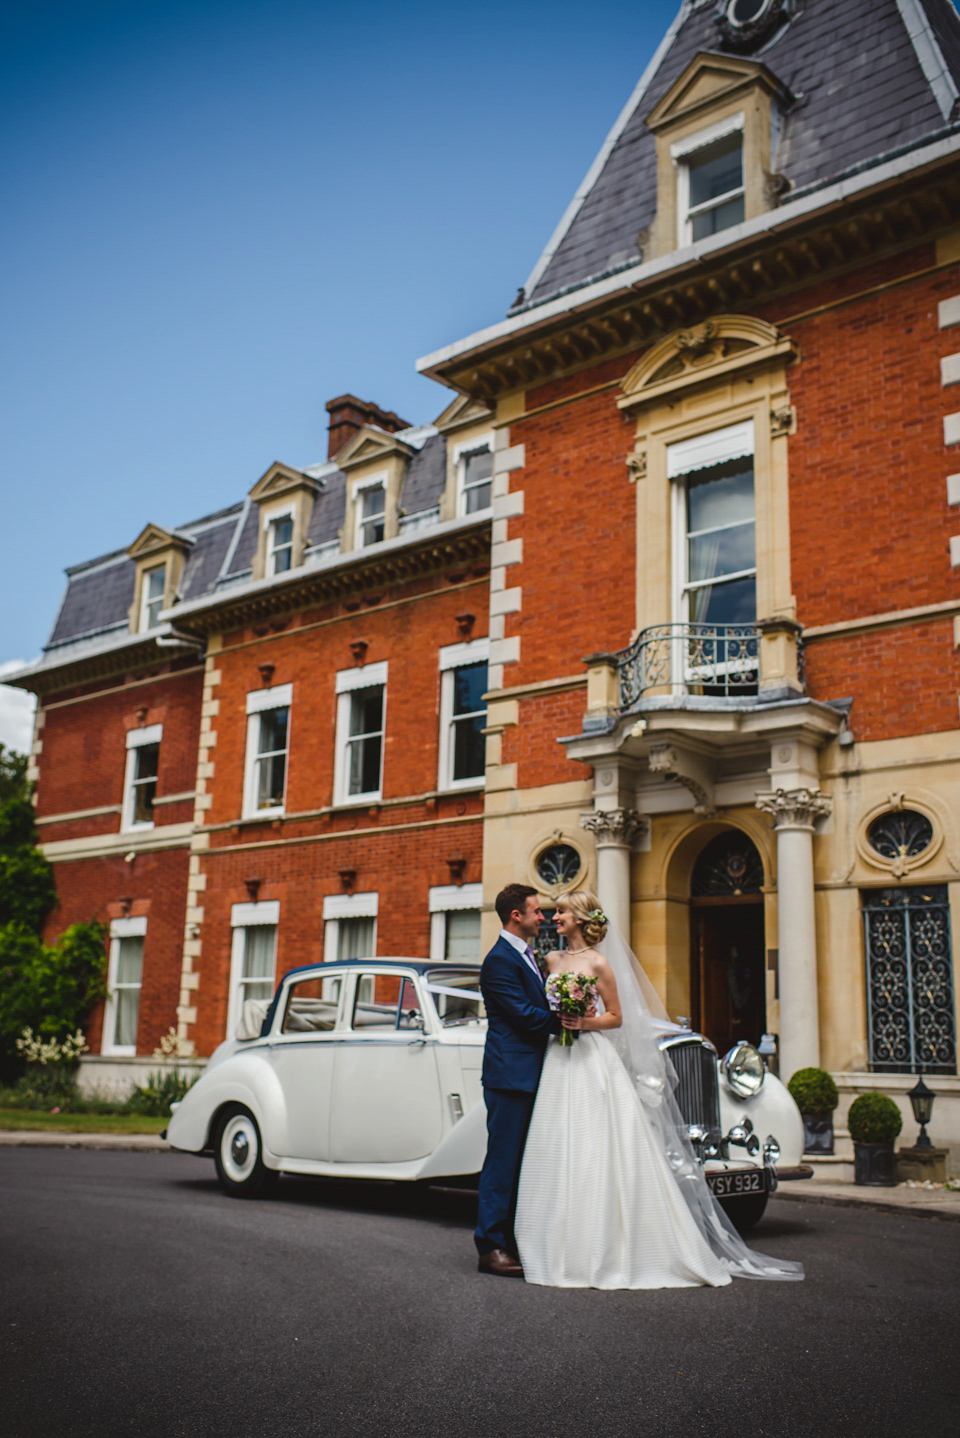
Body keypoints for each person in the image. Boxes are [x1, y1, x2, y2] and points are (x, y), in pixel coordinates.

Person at [513, 889, 803, 1289]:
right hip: (559, 1059)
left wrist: (583, 1022)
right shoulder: (550, 960)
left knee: (598, 1142)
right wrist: (560, 1017)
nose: (554, 917)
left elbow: (616, 1017)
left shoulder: (599, 963)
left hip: (591, 1057)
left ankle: (617, 1241)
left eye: (561, 911)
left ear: (580, 918)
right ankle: (556, 1240)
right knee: (559, 1138)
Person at [474, 883, 561, 1277]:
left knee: (525, 1163)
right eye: (536, 911)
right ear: (516, 916)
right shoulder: (498, 961)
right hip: (510, 1075)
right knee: (503, 1163)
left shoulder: (528, 955)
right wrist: (570, 1022)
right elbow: (523, 1015)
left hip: (531, 1072)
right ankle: (490, 1247)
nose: (541, 917)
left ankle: (513, 1241)